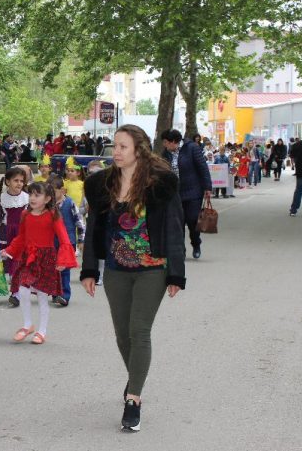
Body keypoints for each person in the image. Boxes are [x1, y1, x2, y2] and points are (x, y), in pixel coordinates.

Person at [81, 124, 186, 432]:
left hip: (152, 268)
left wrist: (176, 273)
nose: (116, 152)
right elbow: (93, 232)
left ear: (138, 150)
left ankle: (133, 399)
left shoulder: (160, 184)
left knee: (139, 332)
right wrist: (89, 269)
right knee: (122, 335)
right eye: (114, 146)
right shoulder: (101, 185)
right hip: (116, 271)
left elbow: (174, 228)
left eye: (123, 147)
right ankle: (136, 377)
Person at [2, 181, 77, 345]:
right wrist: (9, 251)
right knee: (22, 289)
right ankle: (27, 325)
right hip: (29, 258)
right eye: (30, 194)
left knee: (42, 296)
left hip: (47, 259)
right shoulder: (25, 215)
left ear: (47, 198)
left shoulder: (53, 215)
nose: (32, 198)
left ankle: (42, 331)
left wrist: (63, 259)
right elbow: (21, 237)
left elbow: (64, 239)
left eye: (37, 195)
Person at [161, 129, 212, 259]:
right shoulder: (165, 153)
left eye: (166, 142)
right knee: (178, 223)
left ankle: (196, 244)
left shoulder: (191, 148)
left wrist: (207, 188)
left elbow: (203, 167)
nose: (164, 145)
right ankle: (180, 250)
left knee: (192, 219)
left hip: (193, 191)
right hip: (174, 193)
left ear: (173, 142)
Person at [0, 167, 29, 307]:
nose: (19, 183)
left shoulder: (27, 198)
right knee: (7, 263)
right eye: (15, 180)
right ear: (7, 181)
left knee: (18, 263)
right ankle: (13, 290)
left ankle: (16, 293)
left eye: (21, 181)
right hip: (6, 234)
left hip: (22, 234)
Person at [48, 176, 85, 307]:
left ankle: (65, 295)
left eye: (54, 191)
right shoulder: (47, 206)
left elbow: (79, 222)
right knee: (53, 269)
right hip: (51, 242)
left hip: (67, 242)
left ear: (63, 190)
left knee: (64, 270)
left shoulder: (70, 203)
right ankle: (55, 293)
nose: (51, 195)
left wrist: (81, 240)